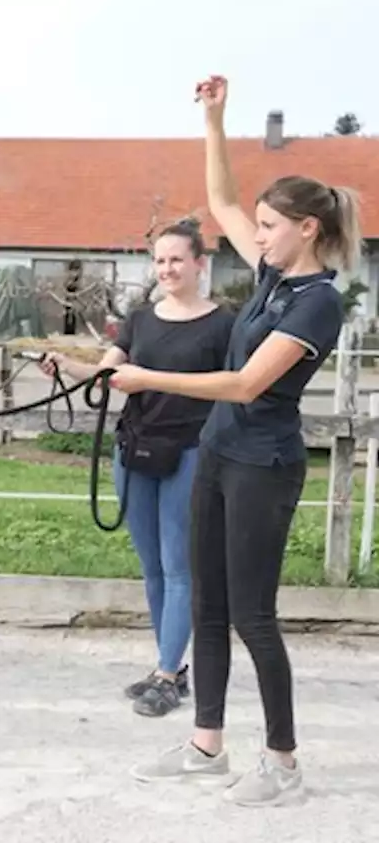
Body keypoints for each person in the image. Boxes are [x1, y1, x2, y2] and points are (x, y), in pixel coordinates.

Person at [114, 74, 360, 807]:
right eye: (256, 227)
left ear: (306, 228)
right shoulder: (271, 278)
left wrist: (146, 375)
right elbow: (221, 199)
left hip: (263, 463)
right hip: (219, 454)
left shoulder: (318, 303)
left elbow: (249, 384)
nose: (254, 235)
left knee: (253, 613)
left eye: (268, 226)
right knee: (211, 607)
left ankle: (282, 761)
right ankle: (205, 745)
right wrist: (217, 122)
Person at [41, 219, 233, 719]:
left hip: (190, 451)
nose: (167, 268)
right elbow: (109, 373)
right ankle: (166, 667)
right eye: (160, 260)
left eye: (177, 259)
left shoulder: (223, 324)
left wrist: (148, 378)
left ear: (199, 264)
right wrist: (66, 366)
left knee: (179, 566)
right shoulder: (142, 319)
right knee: (152, 568)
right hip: (135, 449)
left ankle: (169, 675)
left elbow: (233, 384)